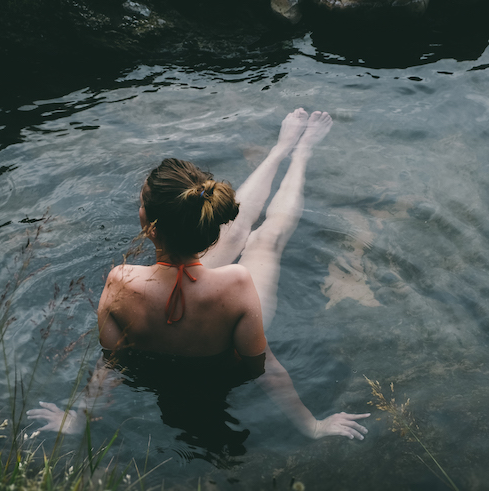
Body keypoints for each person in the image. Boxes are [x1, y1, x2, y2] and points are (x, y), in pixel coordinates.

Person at [28, 110, 369, 443]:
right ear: (205, 220)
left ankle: (283, 148)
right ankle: (298, 151)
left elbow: (112, 362)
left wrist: (79, 418)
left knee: (237, 235)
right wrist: (311, 425)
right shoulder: (236, 282)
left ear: (148, 224)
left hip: (192, 289)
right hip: (222, 302)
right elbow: (264, 368)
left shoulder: (121, 280)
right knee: (266, 239)